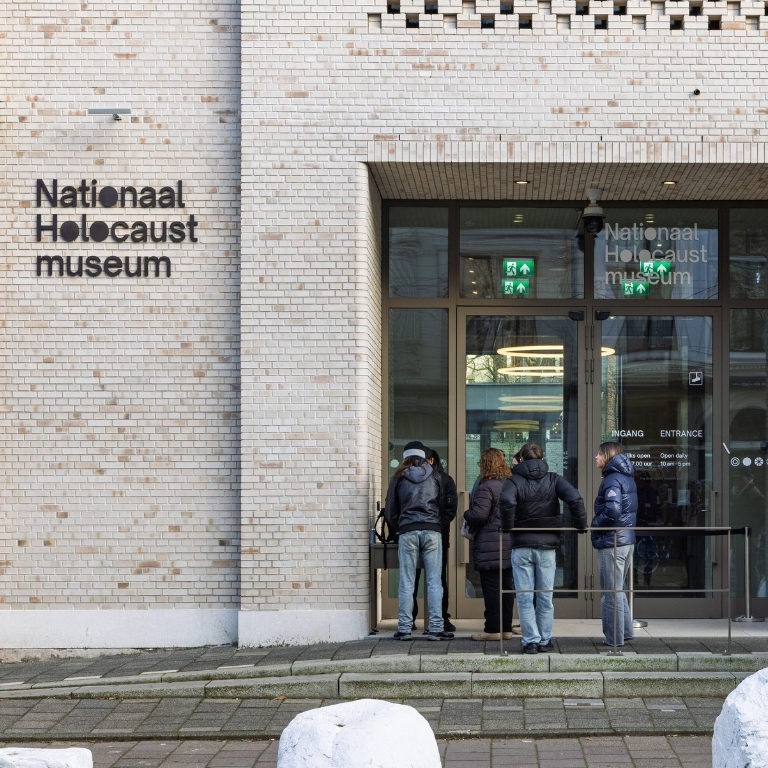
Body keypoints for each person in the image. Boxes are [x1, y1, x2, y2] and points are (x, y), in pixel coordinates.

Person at [500, 442, 586, 654]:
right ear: (541, 457)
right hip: (547, 546)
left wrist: (508, 526)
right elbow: (574, 498)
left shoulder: (514, 480)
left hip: (521, 545)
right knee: (545, 596)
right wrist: (581, 524)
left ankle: (530, 641)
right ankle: (546, 640)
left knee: (525, 596)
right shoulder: (554, 479)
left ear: (521, 459)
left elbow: (506, 501)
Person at [384, 440, 454, 641]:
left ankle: (405, 628)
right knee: (434, 581)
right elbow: (442, 505)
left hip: (407, 531)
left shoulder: (398, 478)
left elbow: (390, 510)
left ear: (406, 457)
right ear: (424, 457)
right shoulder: (436, 476)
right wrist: (436, 524)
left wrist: (399, 528)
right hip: (432, 531)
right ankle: (436, 628)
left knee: (407, 581)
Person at [463, 447, 514, 641]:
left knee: (491, 588)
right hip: (509, 542)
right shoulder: (510, 484)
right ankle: (506, 629)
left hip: (490, 544)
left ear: (485, 464)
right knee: (506, 587)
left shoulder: (487, 486)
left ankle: (493, 629)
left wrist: (466, 513)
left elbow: (480, 515)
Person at [591, 441, 638, 647]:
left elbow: (612, 510)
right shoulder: (626, 478)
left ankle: (614, 638)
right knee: (618, 590)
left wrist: (595, 524)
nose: (596, 457)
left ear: (607, 456)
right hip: (626, 539)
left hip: (613, 542)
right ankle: (625, 632)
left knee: (611, 593)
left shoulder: (611, 479)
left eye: (599, 454)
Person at [412, 448, 458, 632]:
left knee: (433, 579)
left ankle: (439, 618)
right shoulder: (439, 479)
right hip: (435, 534)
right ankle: (423, 618)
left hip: (434, 534)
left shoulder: (443, 479)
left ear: (430, 461)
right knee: (429, 579)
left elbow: (450, 508)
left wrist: (438, 525)